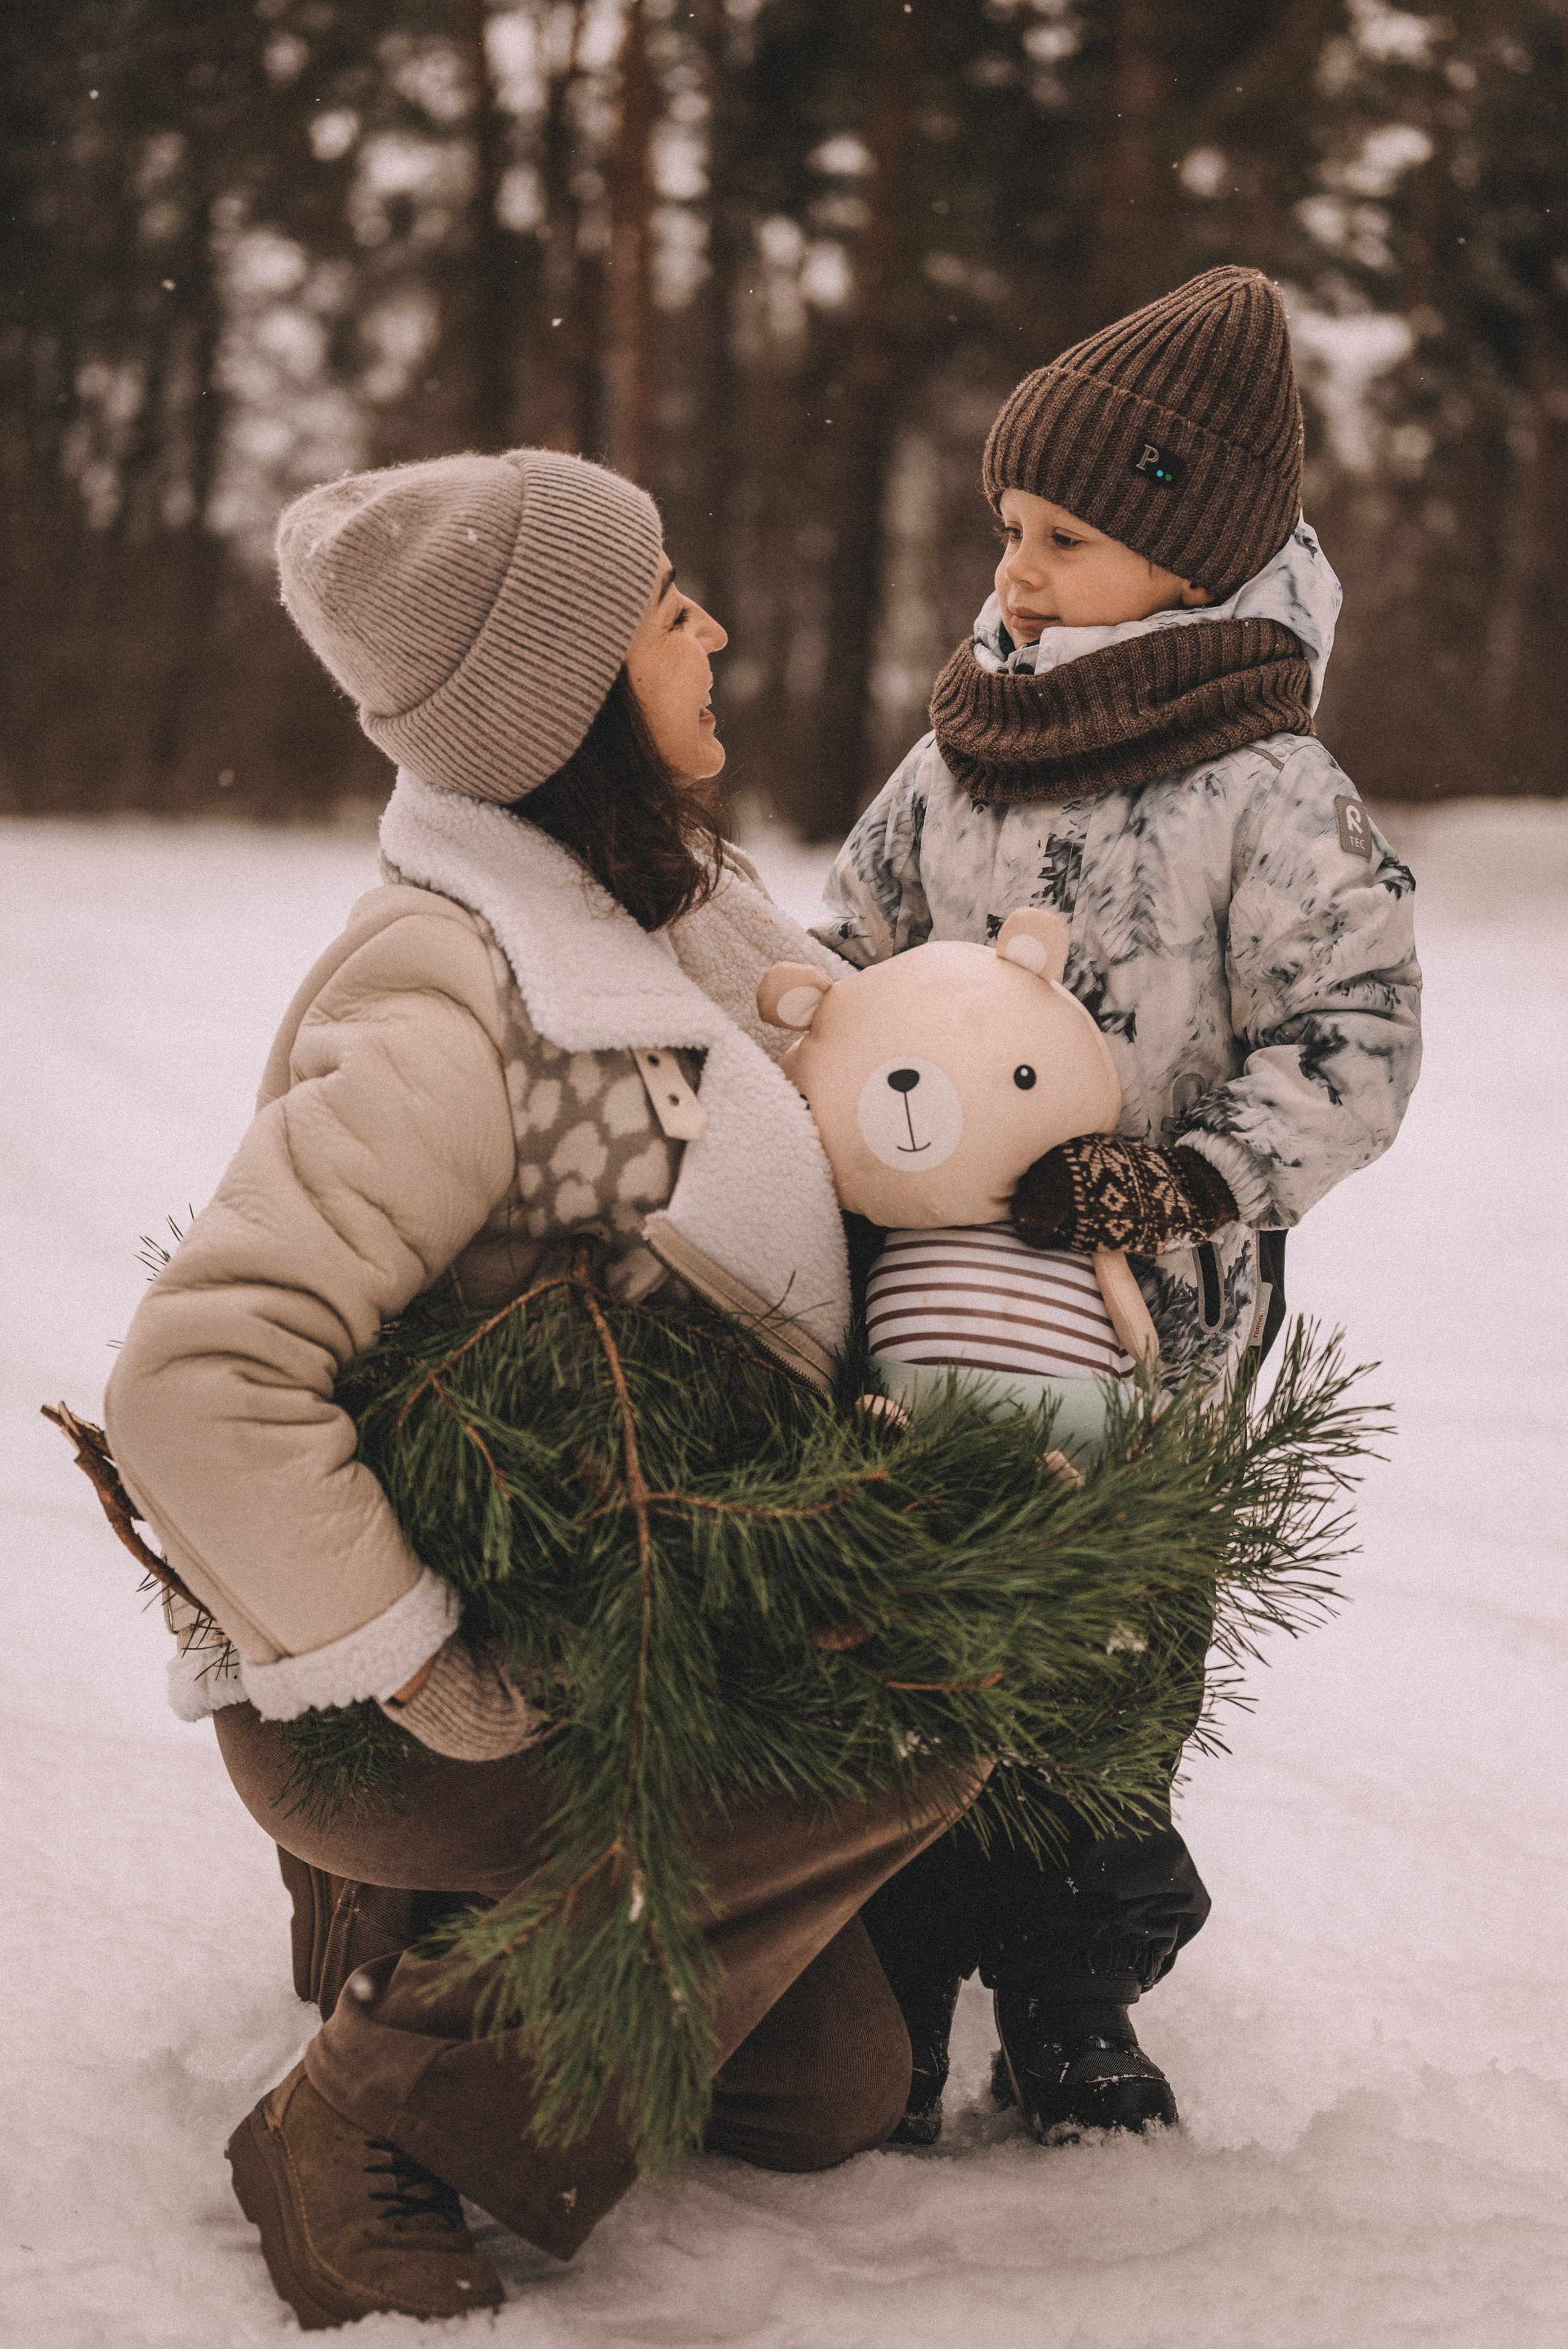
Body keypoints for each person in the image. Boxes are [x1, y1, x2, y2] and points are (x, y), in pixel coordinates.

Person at [104, 447, 975, 2328]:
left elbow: (872, 1083)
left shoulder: (676, 910)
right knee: (915, 1720)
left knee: (830, 2092)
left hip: (608, 1626)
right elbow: (195, 1377)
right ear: (570, 695)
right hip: (425, 1697)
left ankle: (408, 1944)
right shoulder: (457, 994)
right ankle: (353, 2119)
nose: (717, 631)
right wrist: (421, 1661)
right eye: (673, 614)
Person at [815, 266, 1423, 2147]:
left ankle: (1073, 1989)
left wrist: (1188, 1175)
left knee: (1105, 1656)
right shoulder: (949, 761)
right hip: (928, 1320)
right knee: (908, 1640)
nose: (1017, 571)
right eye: (1010, 529)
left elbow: (1360, 1029)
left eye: (1066, 538)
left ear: (1187, 558)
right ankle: (898, 1977)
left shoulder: (1271, 792)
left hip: (1155, 1338)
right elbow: (849, 955)